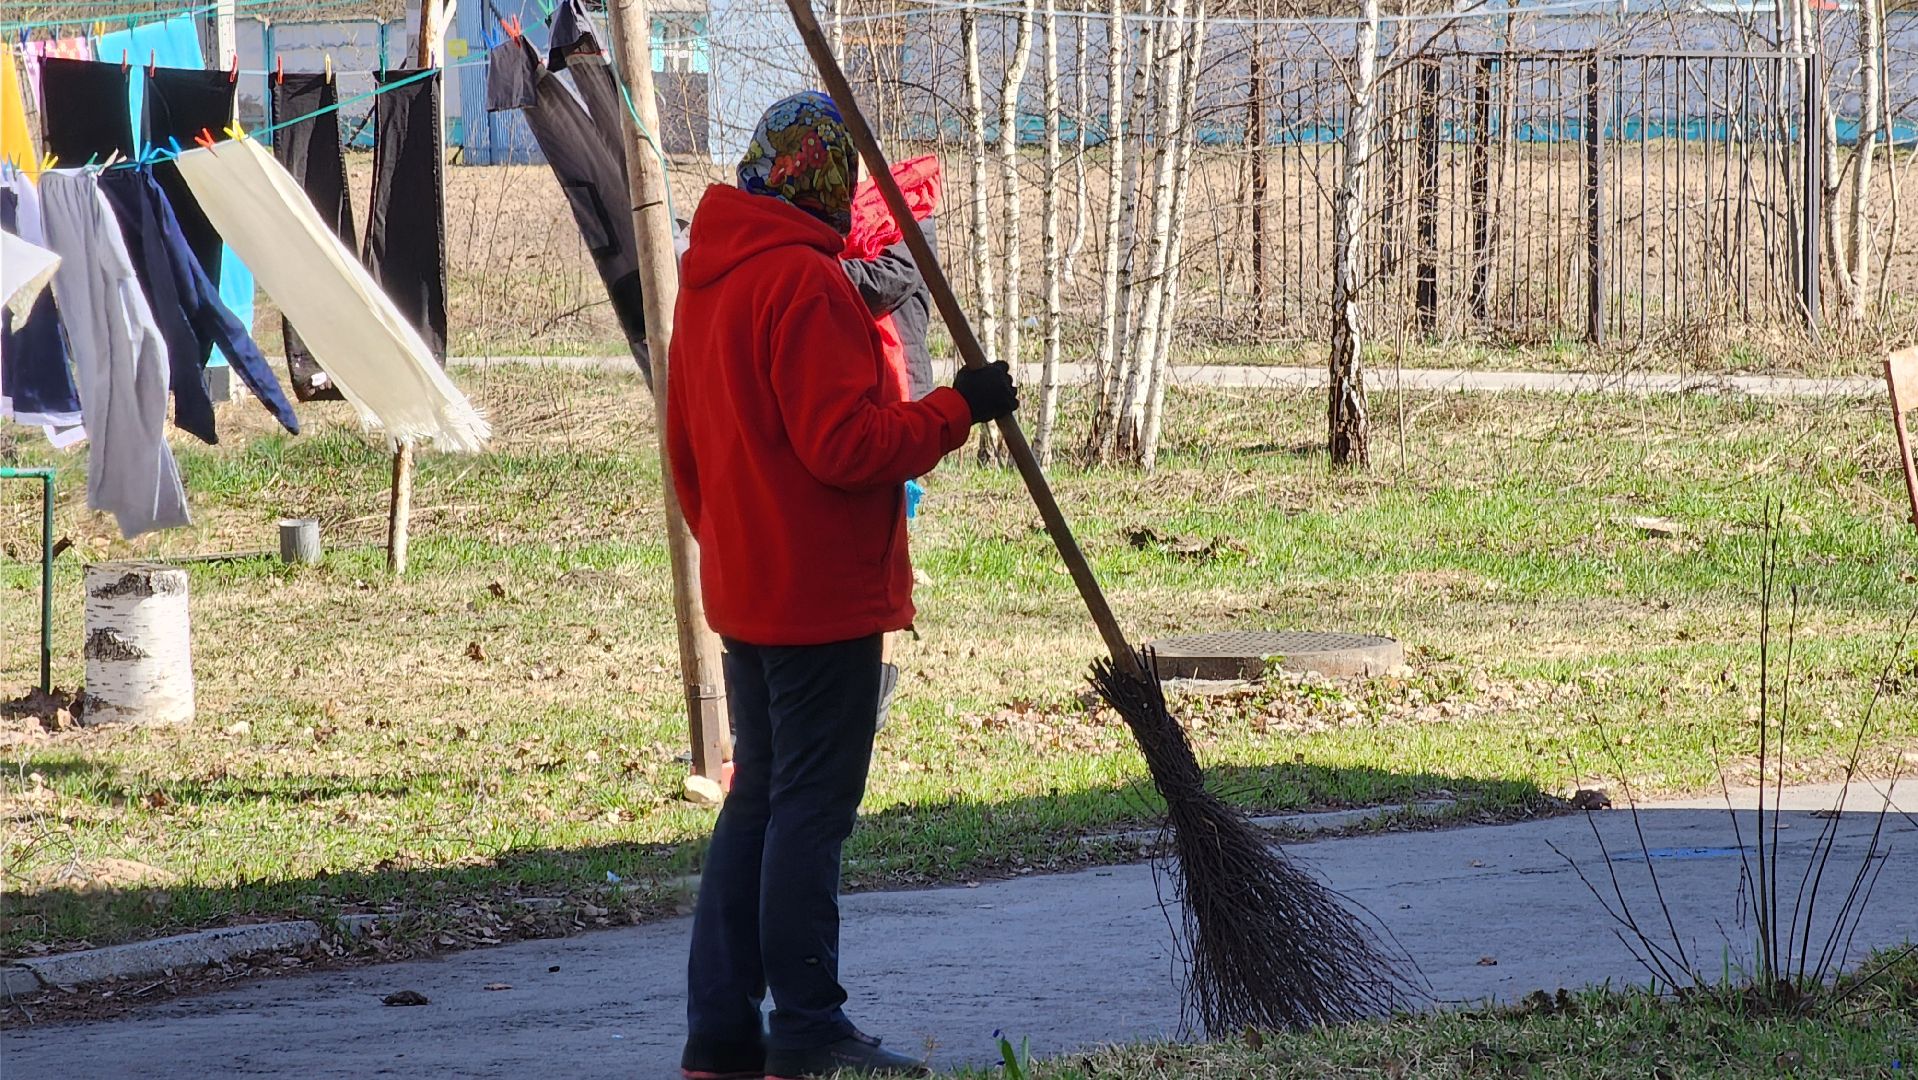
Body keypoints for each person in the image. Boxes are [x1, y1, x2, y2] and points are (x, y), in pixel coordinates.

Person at [667, 91, 1018, 1080]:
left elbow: (685, 454)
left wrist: (736, 548)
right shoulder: (804, 286)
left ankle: (722, 1030)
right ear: (827, 184)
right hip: (816, 596)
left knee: (760, 803)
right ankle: (809, 1027)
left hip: (748, 589)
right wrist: (957, 409)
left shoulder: (710, 281)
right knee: (808, 811)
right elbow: (848, 444)